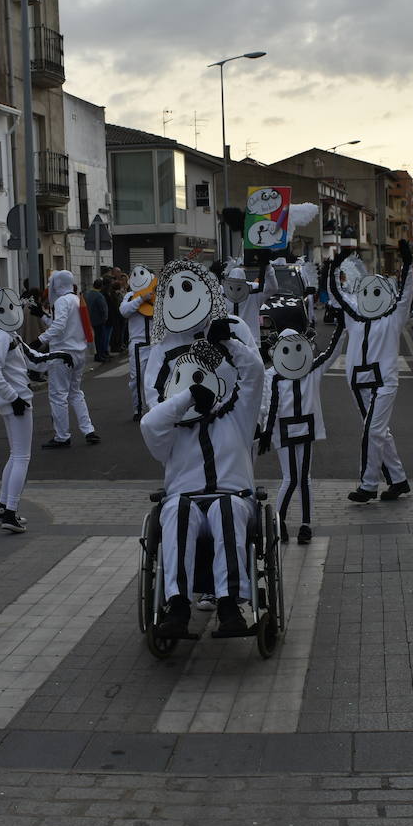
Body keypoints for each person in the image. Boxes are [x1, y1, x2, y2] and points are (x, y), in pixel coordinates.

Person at [142, 328, 265, 638]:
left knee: (226, 508)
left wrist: (228, 342)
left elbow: (254, 374)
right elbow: (149, 424)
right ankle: (178, 606)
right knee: (176, 510)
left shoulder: (237, 415)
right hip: (186, 500)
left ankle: (229, 604)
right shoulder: (171, 429)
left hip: (233, 497)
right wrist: (187, 398)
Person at [328, 240, 413, 502]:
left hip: (384, 381)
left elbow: (406, 293)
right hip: (358, 381)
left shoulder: (393, 316)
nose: (371, 296)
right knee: (378, 431)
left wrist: (408, 263)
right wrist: (335, 265)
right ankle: (398, 480)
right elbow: (336, 292)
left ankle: (368, 485)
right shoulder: (353, 314)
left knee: (373, 431)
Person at [0, 288, 69, 534]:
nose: (12, 311)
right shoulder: (2, 335)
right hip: (17, 400)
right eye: (6, 307)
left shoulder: (7, 333)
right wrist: (13, 398)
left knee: (16, 455)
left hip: (16, 399)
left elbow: (32, 358)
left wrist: (59, 356)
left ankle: (3, 507)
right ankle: (10, 512)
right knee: (21, 457)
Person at [259, 327, 344, 545]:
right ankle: (282, 522)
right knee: (293, 479)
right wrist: (265, 429)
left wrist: (342, 328)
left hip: (300, 429)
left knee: (299, 478)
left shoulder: (309, 369)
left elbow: (332, 352)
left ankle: (301, 524)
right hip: (285, 430)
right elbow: (266, 405)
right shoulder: (274, 375)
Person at [39, 270, 99, 448]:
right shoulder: (76, 299)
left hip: (62, 354)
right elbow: (65, 324)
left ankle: (62, 436)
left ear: (57, 284)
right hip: (78, 352)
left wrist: (40, 339)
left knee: (58, 395)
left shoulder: (61, 301)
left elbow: (59, 326)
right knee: (75, 393)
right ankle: (88, 430)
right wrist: (42, 315)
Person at [120, 265, 156, 420]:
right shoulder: (130, 296)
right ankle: (138, 409)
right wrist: (141, 299)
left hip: (155, 342)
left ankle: (154, 408)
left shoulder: (157, 294)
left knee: (155, 378)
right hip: (138, 344)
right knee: (136, 379)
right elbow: (124, 311)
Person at [87, 278, 110, 362]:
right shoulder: (99, 296)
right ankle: (100, 355)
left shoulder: (88, 294)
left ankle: (98, 354)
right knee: (100, 339)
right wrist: (105, 318)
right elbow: (103, 309)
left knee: (96, 339)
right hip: (99, 320)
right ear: (101, 286)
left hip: (90, 319)